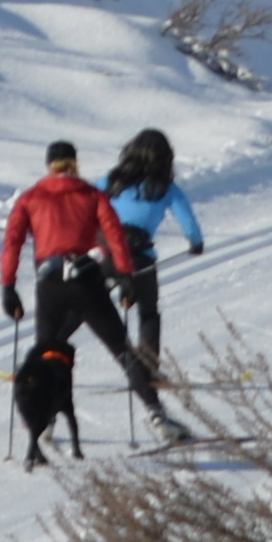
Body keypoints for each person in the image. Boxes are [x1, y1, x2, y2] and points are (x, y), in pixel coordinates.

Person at [1, 138, 184, 460]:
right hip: (88, 282)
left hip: (50, 285)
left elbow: (13, 241)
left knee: (47, 355)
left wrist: (8, 286)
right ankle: (157, 415)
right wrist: (126, 276)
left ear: (48, 166)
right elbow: (113, 235)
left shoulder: (30, 198)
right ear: (75, 164)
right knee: (123, 352)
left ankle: (44, 425)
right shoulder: (92, 194)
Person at [103, 128, 206, 378]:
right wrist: (196, 243)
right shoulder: (166, 189)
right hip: (139, 256)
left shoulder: (110, 181)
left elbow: (85, 204)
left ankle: (46, 359)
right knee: (148, 313)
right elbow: (189, 222)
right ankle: (148, 370)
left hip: (105, 252)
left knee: (85, 306)